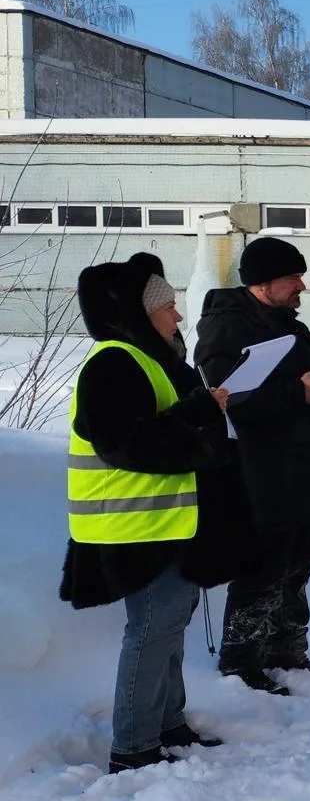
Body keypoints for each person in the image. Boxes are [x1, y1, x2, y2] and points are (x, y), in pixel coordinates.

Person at [61, 255, 250, 771]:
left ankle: (168, 725)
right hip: (134, 525)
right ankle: (134, 747)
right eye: (168, 306)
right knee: (150, 633)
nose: (178, 316)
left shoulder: (155, 360)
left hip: (169, 521)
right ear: (139, 312)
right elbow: (123, 442)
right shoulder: (115, 361)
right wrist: (198, 413)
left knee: (168, 628)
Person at [196, 236, 310, 694]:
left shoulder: (288, 324)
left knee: (301, 563)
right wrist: (298, 394)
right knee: (263, 568)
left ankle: (288, 651)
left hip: (304, 467)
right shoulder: (226, 327)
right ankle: (241, 661)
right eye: (292, 278)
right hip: (262, 472)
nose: (301, 286)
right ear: (263, 282)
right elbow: (225, 399)